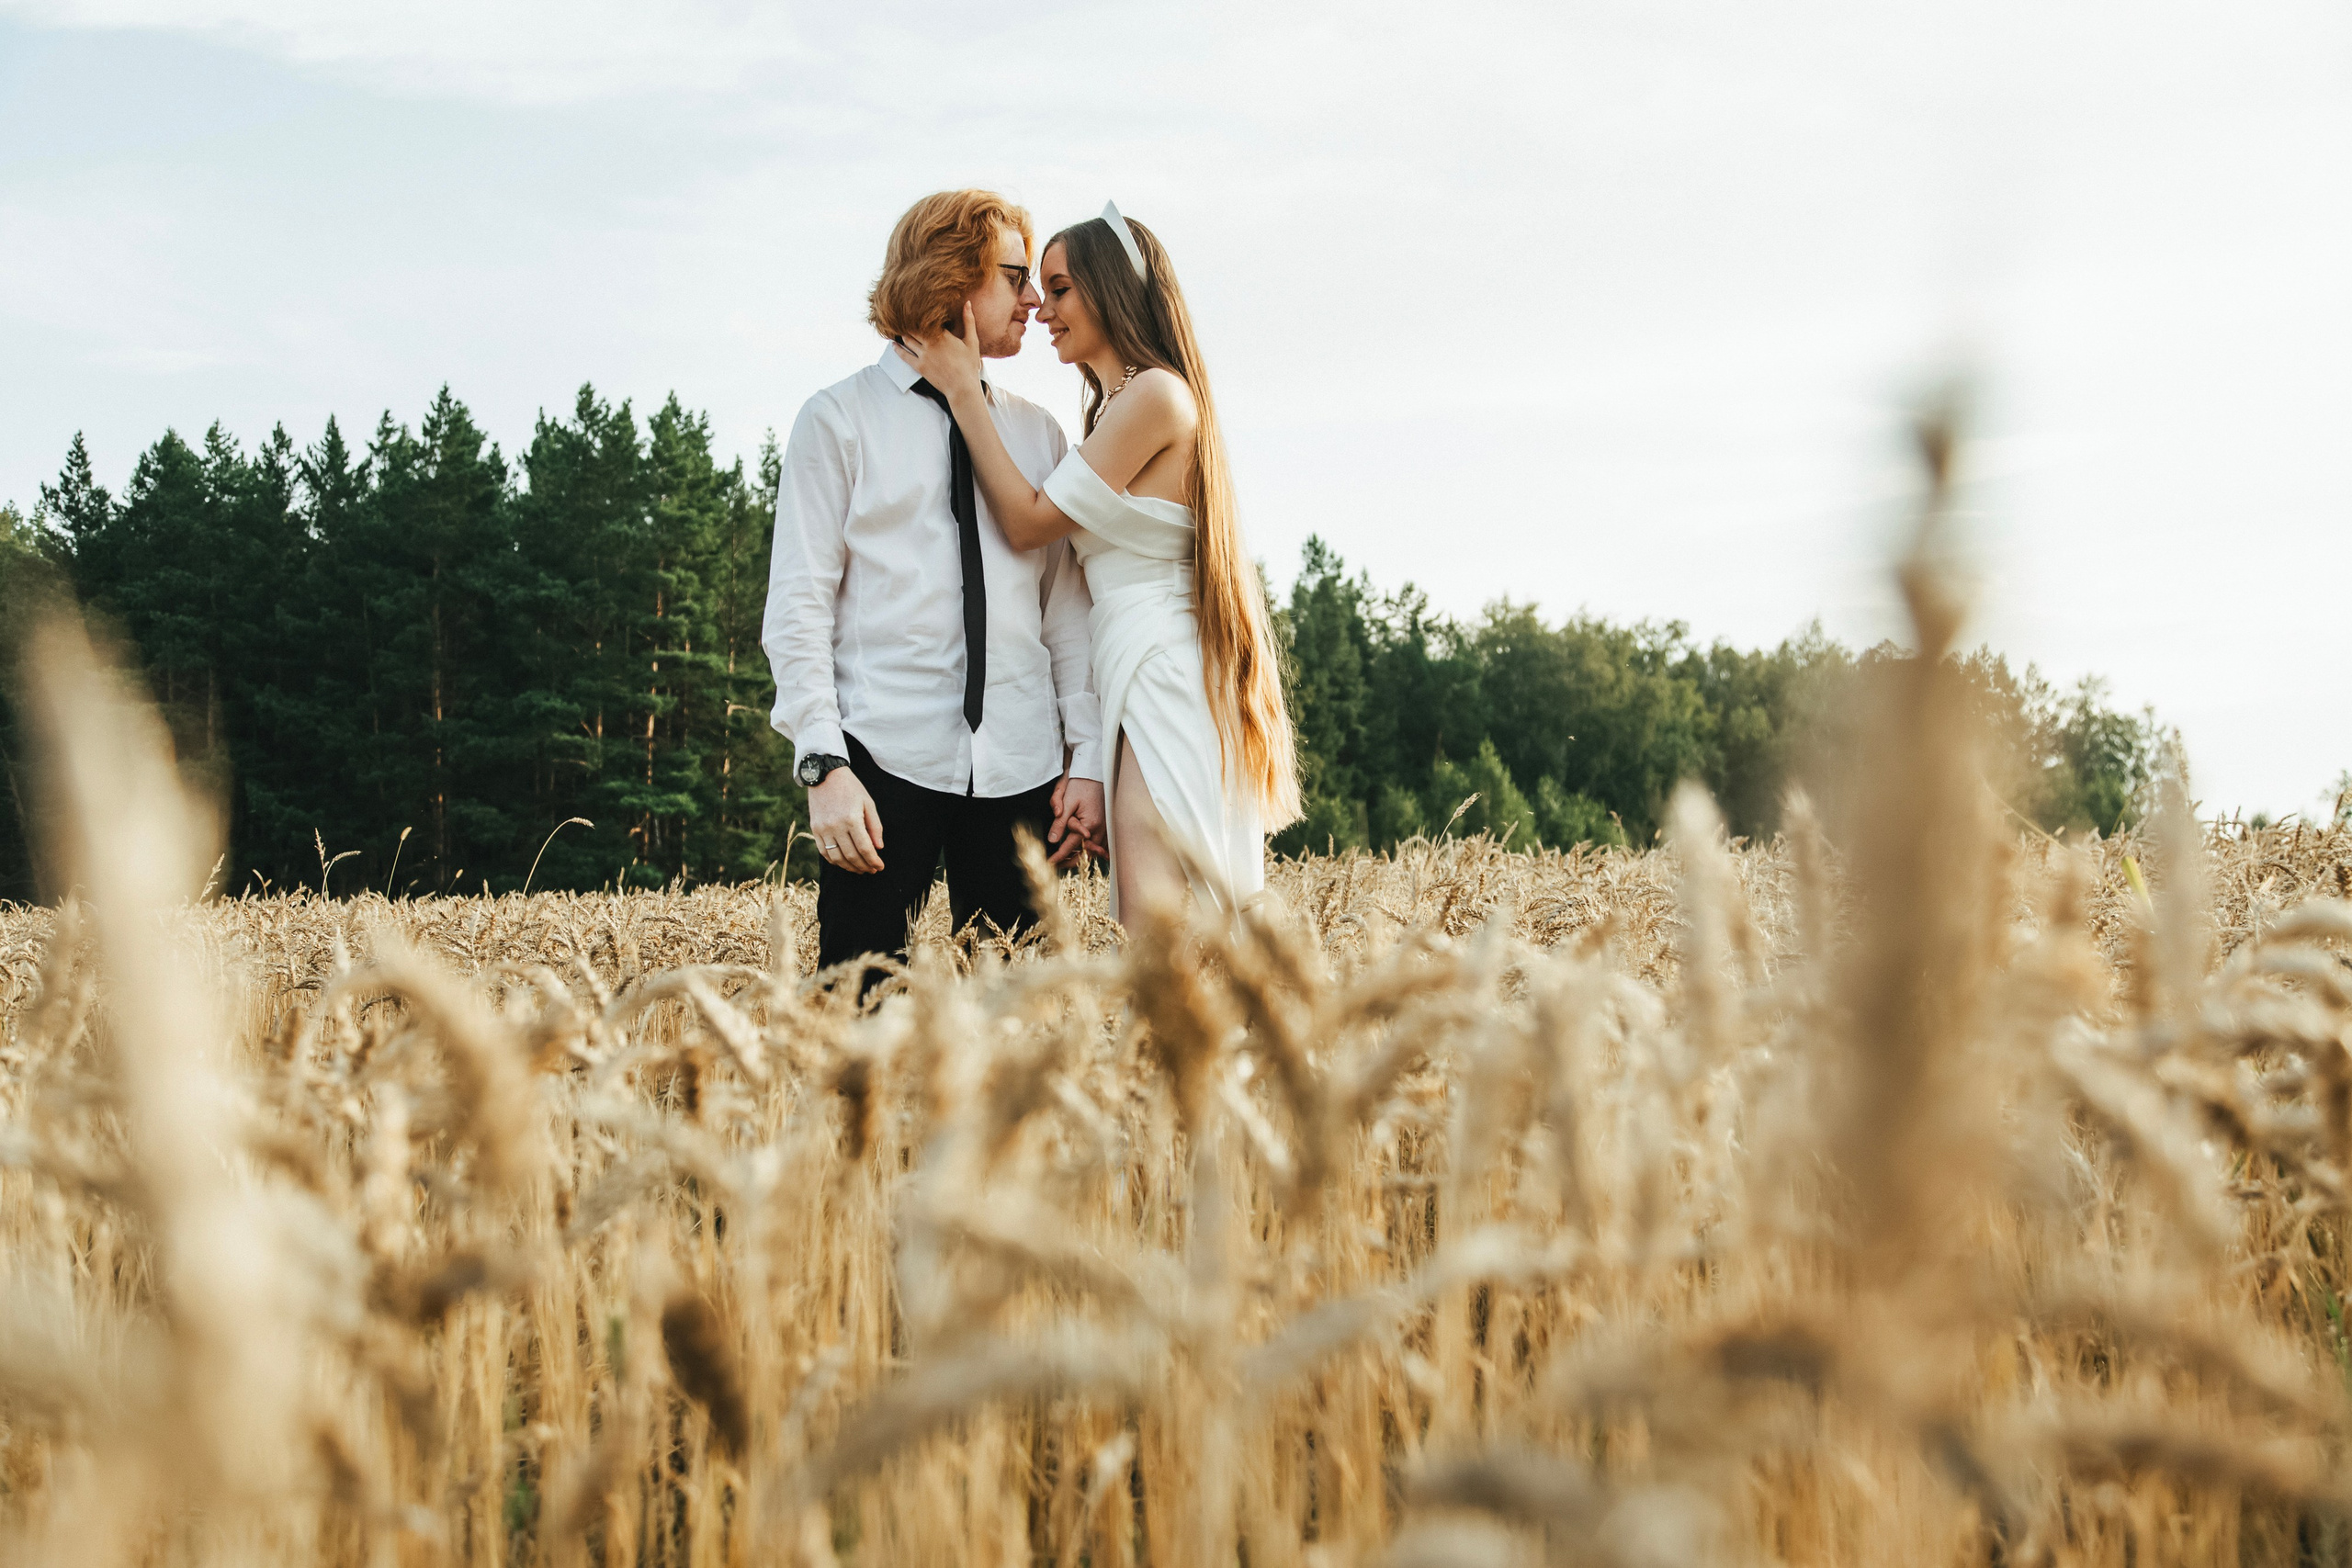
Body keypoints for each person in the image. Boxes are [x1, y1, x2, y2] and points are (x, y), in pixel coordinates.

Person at [904, 203, 1300, 919]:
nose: (1042, 307)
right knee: (1156, 918)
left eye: (1060, 289)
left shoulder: (1156, 396)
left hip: (1164, 671)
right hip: (1131, 668)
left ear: (1112, 289)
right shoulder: (1111, 411)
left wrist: (964, 393)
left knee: (1161, 920)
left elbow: (1028, 523)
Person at [762, 189, 1107, 989]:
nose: (1034, 299)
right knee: (858, 1017)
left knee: (1020, 1028)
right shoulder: (837, 420)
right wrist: (823, 764)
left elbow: (1066, 615)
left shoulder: (1038, 433)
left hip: (1022, 768)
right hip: (880, 765)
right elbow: (799, 605)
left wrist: (1087, 757)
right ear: (952, 280)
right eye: (1014, 276)